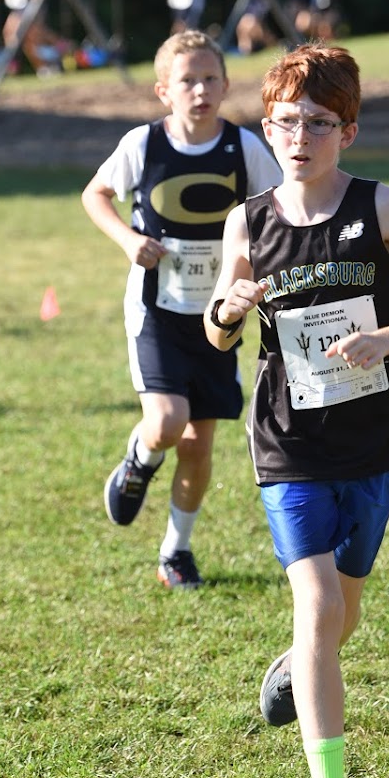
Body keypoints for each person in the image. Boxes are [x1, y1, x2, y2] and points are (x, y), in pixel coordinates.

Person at [205, 43, 389, 778]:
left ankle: (297, 662)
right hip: (287, 442)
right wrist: (228, 308)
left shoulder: (379, 206)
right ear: (267, 128)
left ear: (347, 131)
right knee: (320, 604)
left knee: (339, 616)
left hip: (374, 442)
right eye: (286, 122)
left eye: (318, 124)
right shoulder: (247, 220)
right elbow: (217, 331)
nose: (300, 138)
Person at [81, 30, 280, 590]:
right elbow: (95, 194)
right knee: (168, 422)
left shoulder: (243, 147)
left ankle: (176, 551)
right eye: (187, 80)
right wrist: (127, 239)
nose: (200, 90)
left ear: (226, 84)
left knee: (197, 443)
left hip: (218, 313)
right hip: (157, 307)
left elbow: (277, 209)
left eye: (210, 78)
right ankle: (140, 459)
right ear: (163, 91)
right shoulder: (143, 144)